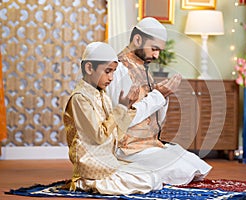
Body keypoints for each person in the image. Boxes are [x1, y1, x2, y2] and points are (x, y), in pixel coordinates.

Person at [106, 17, 212, 185]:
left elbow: (156, 121)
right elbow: (120, 120)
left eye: (159, 51)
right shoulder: (118, 70)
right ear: (138, 39)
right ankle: (124, 169)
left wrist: (164, 97)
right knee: (182, 170)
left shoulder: (144, 69)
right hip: (126, 149)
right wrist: (158, 96)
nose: (156, 55)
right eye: (154, 49)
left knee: (195, 164)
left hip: (148, 145)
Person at [62, 42, 163, 195]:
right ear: (89, 68)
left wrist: (127, 109)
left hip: (109, 163)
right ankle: (85, 183)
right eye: (107, 71)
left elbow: (116, 135)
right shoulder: (80, 99)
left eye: (114, 72)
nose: (111, 78)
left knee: (153, 176)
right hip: (93, 169)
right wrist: (120, 109)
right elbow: (99, 136)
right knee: (147, 181)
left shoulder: (103, 95)